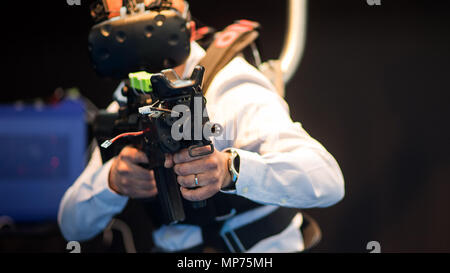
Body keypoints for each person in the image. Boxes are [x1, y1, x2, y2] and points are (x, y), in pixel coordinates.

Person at [58, 0, 345, 253]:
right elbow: (71, 226)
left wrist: (230, 169)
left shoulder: (230, 86)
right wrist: (111, 182)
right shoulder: (126, 104)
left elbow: (327, 180)